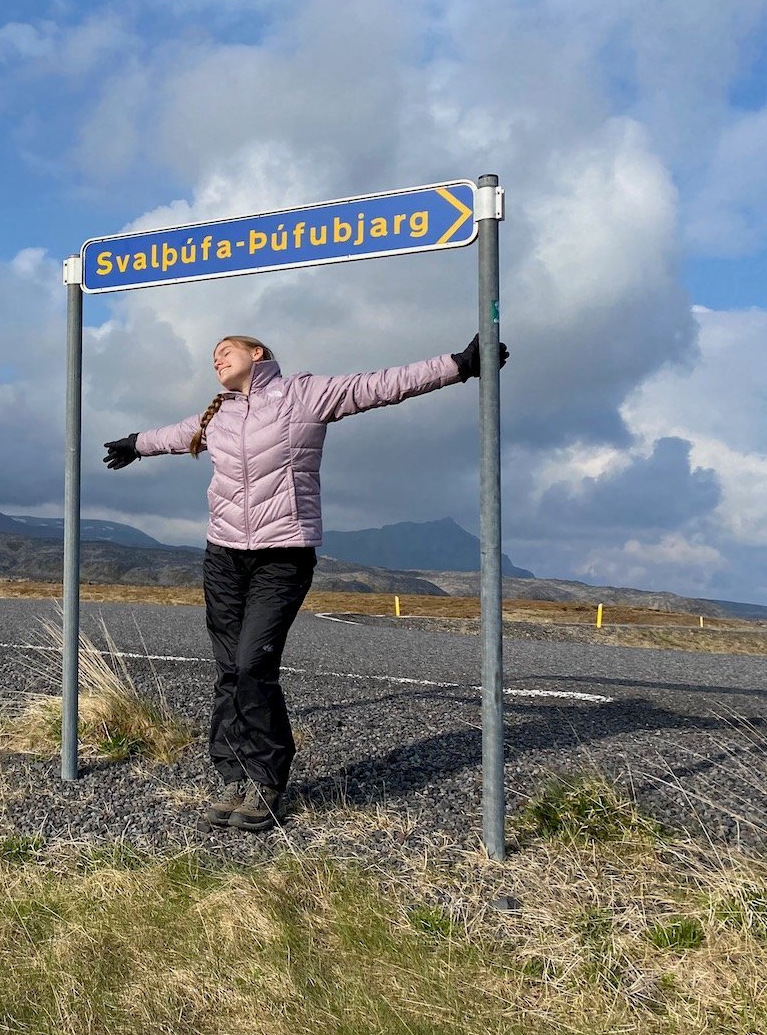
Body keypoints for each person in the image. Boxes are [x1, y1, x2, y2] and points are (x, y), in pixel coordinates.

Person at [103, 332, 508, 832]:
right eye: (213, 356)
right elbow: (171, 435)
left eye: (225, 349)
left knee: (253, 664)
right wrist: (134, 445)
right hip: (223, 557)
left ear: (259, 354)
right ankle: (235, 775)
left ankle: (268, 779)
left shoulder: (304, 395)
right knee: (229, 668)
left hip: (284, 556)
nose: (216, 357)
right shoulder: (219, 415)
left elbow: (380, 385)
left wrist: (459, 365)